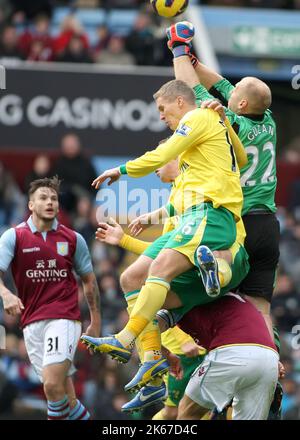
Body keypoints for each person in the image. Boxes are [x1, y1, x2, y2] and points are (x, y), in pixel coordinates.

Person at [83, 79, 247, 398]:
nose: (161, 116)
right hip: (192, 216)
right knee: (131, 277)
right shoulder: (194, 158)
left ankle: (127, 338)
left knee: (160, 271)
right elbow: (237, 162)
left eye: (163, 108)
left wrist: (122, 170)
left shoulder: (197, 118)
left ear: (180, 102)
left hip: (210, 214)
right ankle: (153, 358)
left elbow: (162, 155)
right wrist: (149, 217)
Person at [167, 21, 280, 343]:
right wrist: (193, 60)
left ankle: (183, 323)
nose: (229, 88)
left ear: (240, 104)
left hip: (239, 219)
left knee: (210, 279)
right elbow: (221, 84)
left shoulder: (228, 121)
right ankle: (271, 358)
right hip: (269, 224)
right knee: (261, 305)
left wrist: (177, 48)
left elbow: (190, 90)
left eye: (237, 87)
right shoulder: (268, 120)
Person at [0, 176, 101, 420]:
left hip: (63, 318)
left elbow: (89, 281)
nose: (50, 202)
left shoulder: (73, 239)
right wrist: (6, 294)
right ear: (31, 205)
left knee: (52, 387)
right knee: (67, 399)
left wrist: (96, 321)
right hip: (31, 323)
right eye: (43, 198)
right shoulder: (13, 237)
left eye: (54, 198)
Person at [157, 293, 279, 420]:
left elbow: (149, 328)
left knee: (188, 412)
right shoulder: (235, 299)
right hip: (270, 357)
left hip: (232, 352)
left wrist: (167, 354)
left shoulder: (183, 297)